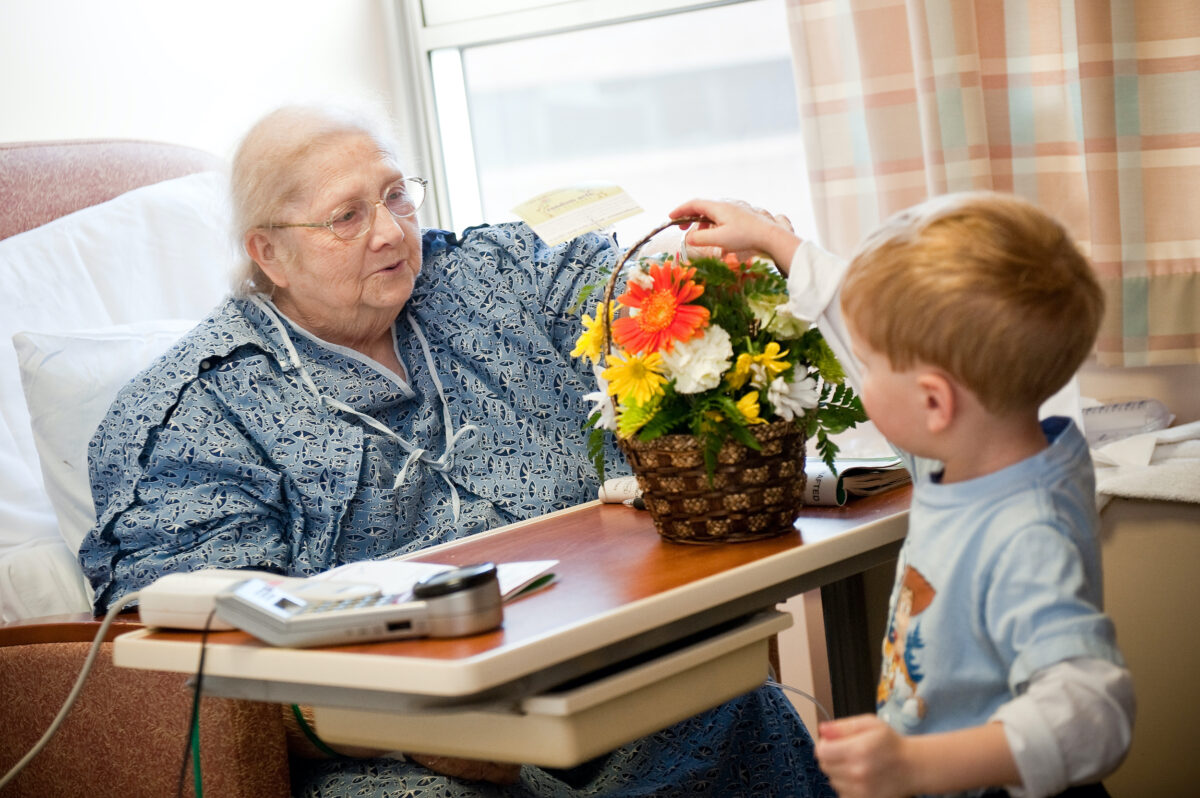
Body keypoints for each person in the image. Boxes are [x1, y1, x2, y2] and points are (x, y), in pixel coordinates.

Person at [78, 104, 834, 798]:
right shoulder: (194, 412)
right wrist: (421, 733)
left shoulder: (494, 276)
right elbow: (201, 653)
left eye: (395, 196)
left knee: (733, 704)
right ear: (268, 253)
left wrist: (720, 274)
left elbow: (634, 308)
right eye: (347, 216)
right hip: (391, 743)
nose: (389, 232)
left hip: (600, 668)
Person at [670, 193, 1136, 798]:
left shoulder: (1027, 533)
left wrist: (917, 767)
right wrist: (777, 245)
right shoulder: (984, 444)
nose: (862, 377)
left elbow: (1097, 712)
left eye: (869, 363)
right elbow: (872, 335)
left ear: (934, 403)